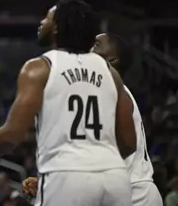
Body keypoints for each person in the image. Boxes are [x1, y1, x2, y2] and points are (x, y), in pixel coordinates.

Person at [0, 0, 138, 206]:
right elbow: (128, 142)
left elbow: (12, 134)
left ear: (58, 28)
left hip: (68, 177)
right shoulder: (110, 73)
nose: (41, 22)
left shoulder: (39, 68)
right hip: (115, 180)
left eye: (47, 18)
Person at [22, 32, 163, 206]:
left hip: (135, 195)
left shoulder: (112, 92)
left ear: (112, 61)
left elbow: (126, 146)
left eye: (95, 45)